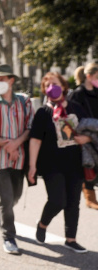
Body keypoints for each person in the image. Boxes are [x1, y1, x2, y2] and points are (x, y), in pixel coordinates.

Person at [28, 72, 89, 253]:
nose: (50, 87)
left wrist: (85, 139)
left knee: (73, 202)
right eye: (47, 85)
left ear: (63, 86)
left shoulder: (76, 108)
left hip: (75, 163)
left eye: (54, 83)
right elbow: (35, 140)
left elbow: (90, 130)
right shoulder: (43, 112)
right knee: (57, 200)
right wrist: (32, 166)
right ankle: (42, 223)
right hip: (51, 164)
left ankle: (71, 239)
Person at [0, 64, 34, 255]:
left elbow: (30, 127)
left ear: (11, 80)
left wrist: (16, 144)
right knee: (7, 198)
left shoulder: (25, 102)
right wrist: (6, 145)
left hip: (19, 158)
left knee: (15, 197)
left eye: (1, 79)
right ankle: (9, 237)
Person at [69, 63, 98, 210]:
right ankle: (89, 197)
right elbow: (73, 120)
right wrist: (88, 137)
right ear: (89, 76)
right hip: (85, 137)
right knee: (89, 165)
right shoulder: (77, 94)